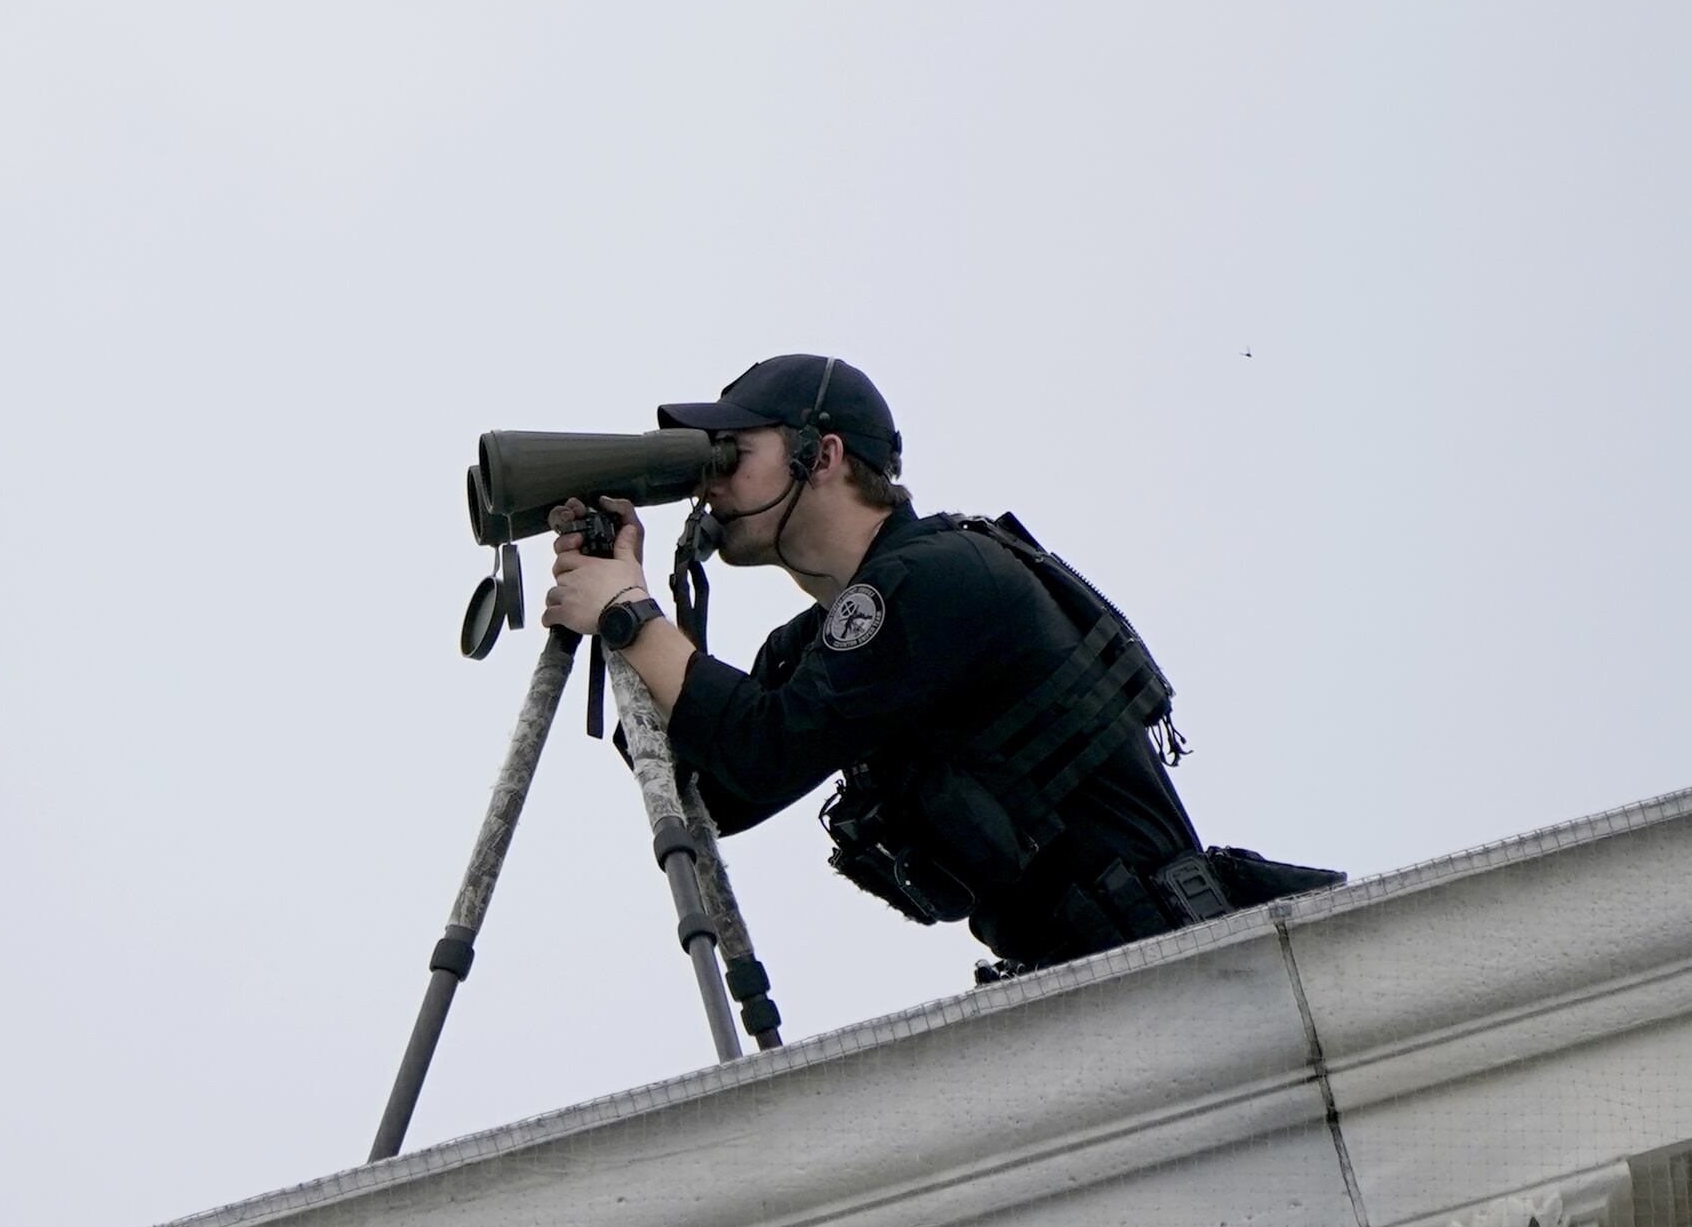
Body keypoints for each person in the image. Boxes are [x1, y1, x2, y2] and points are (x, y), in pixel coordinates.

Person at [535, 355, 1330, 980]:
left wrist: (633, 614)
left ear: (824, 454)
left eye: (731, 455)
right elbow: (712, 792)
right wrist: (626, 593)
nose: (708, 487)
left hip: (1176, 965)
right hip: (1093, 979)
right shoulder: (826, 635)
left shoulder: (934, 579)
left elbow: (763, 745)